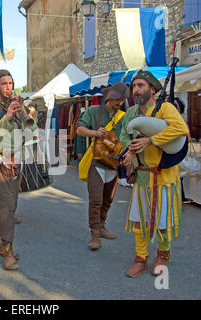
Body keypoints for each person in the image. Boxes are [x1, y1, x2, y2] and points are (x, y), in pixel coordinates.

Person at [119, 70, 189, 277]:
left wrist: (150, 140)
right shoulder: (131, 112)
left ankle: (162, 256)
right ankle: (141, 258)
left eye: (141, 85)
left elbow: (180, 129)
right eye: (134, 86)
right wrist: (130, 149)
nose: (136, 90)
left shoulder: (166, 108)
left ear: (152, 88)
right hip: (142, 176)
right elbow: (124, 134)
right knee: (139, 222)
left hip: (164, 177)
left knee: (163, 222)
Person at [0, 69, 37, 270]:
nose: (9, 87)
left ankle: (0, 244)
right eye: (4, 83)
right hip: (0, 160)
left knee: (11, 206)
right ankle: (8, 251)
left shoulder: (18, 104)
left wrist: (25, 114)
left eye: (11, 83)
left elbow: (32, 133)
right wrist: (8, 116)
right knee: (6, 209)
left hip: (17, 161)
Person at [76, 83, 129, 250]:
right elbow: (79, 129)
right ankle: (95, 234)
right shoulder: (94, 111)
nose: (120, 102)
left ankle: (102, 226)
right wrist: (95, 133)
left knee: (108, 200)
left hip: (114, 163)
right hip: (97, 163)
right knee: (96, 200)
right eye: (117, 99)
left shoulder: (124, 115)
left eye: (122, 99)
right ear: (109, 97)